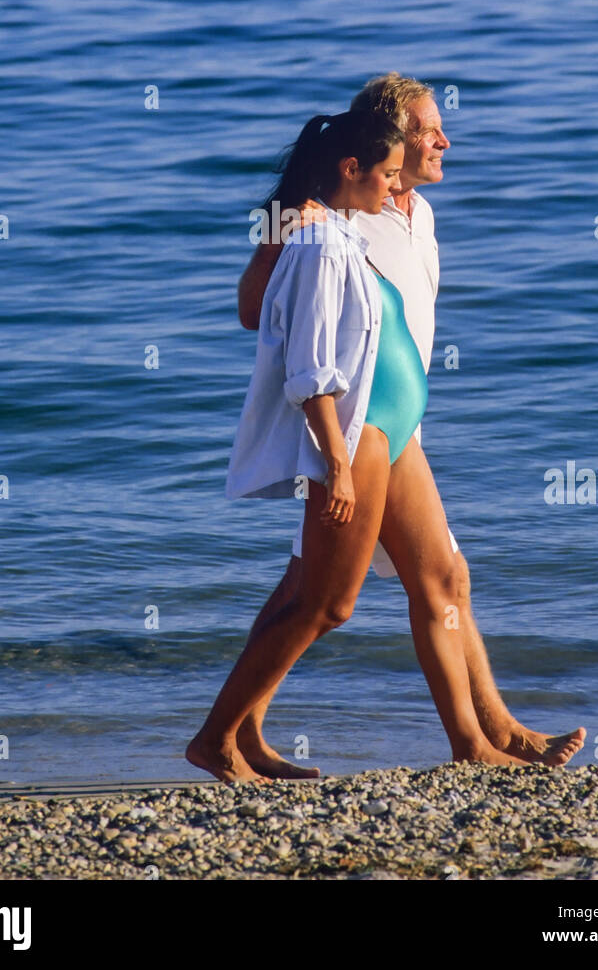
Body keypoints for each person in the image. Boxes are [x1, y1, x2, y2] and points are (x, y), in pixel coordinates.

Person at [187, 108, 570, 784]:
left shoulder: (361, 225)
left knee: (440, 576)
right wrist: (334, 461)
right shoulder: (317, 237)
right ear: (352, 167)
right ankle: (217, 738)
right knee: (325, 603)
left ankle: (476, 743)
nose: (396, 184)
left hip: (395, 433)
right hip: (358, 436)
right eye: (390, 168)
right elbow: (307, 366)